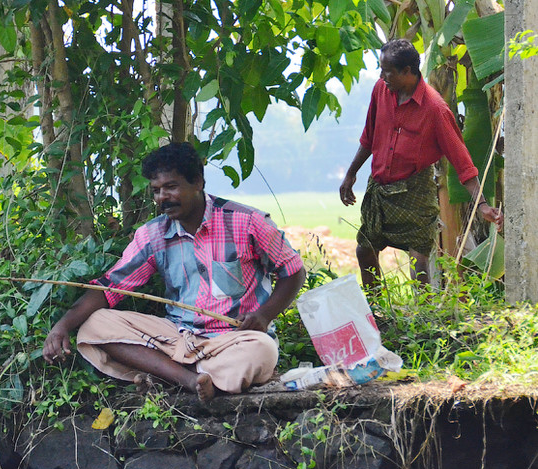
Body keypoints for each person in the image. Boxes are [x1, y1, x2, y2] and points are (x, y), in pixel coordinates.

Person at [43, 142, 306, 402]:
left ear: (198, 183)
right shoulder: (153, 234)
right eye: (156, 190)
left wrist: (264, 315)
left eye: (171, 187)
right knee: (94, 325)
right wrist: (61, 327)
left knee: (262, 352)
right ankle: (190, 380)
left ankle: (168, 374)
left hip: (235, 340)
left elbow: (293, 272)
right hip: (177, 338)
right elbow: (109, 288)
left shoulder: (247, 221)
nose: (162, 198)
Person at [339, 39, 504, 288]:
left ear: (407, 72)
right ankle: (377, 309)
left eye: (387, 71)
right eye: (381, 69)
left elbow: (463, 163)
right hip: (380, 191)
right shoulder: (380, 91)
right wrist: (351, 174)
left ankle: (422, 314)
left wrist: (481, 205)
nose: (382, 76)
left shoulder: (436, 109)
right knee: (364, 251)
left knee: (419, 261)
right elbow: (369, 135)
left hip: (416, 192)